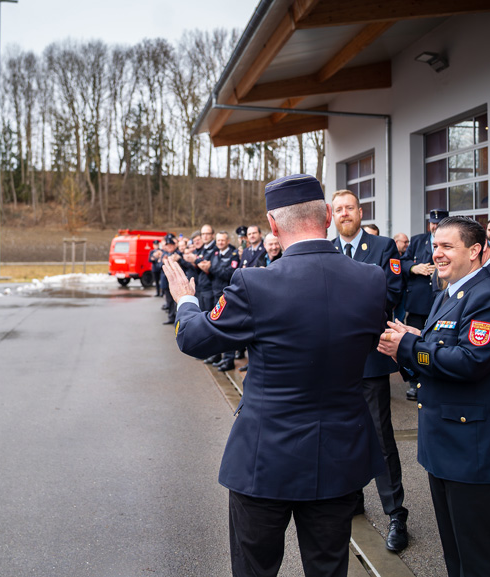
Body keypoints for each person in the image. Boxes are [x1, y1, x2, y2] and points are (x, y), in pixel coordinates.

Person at [163, 174, 386, 577]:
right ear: (326, 219)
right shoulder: (370, 280)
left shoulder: (255, 283)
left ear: (273, 223)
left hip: (266, 460)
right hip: (339, 456)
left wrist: (187, 301)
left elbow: (195, 339)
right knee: (329, 567)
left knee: (255, 568)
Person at [378, 216, 490, 577]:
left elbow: (471, 361)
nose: (437, 253)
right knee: (456, 554)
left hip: (474, 453)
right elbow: (442, 349)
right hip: (446, 448)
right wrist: (414, 339)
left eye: (447, 246)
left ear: (476, 250)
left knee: (481, 558)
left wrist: (410, 347)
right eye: (435, 246)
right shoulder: (448, 292)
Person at [331, 189, 409, 552]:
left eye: (350, 208)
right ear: (332, 215)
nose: (344, 214)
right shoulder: (326, 250)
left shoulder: (382, 249)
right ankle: (354, 501)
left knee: (380, 438)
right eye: (338, 209)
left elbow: (390, 294)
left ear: (361, 213)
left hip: (371, 359)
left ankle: (396, 513)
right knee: (343, 435)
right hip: (335, 363)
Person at [400, 208, 448, 400]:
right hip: (418, 303)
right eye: (432, 223)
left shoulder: (450, 242)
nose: (434, 226)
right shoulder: (418, 240)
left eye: (439, 223)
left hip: (440, 302)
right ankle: (414, 383)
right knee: (412, 342)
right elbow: (401, 263)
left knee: (436, 342)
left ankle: (434, 380)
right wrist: (414, 267)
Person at [208, 231, 240, 372]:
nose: (220, 243)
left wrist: (211, 268)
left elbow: (228, 274)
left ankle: (229, 360)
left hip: (226, 296)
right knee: (216, 327)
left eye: (222, 240)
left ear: (228, 241)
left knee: (227, 329)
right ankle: (219, 356)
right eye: (218, 240)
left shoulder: (232, 255)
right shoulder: (216, 254)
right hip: (215, 293)